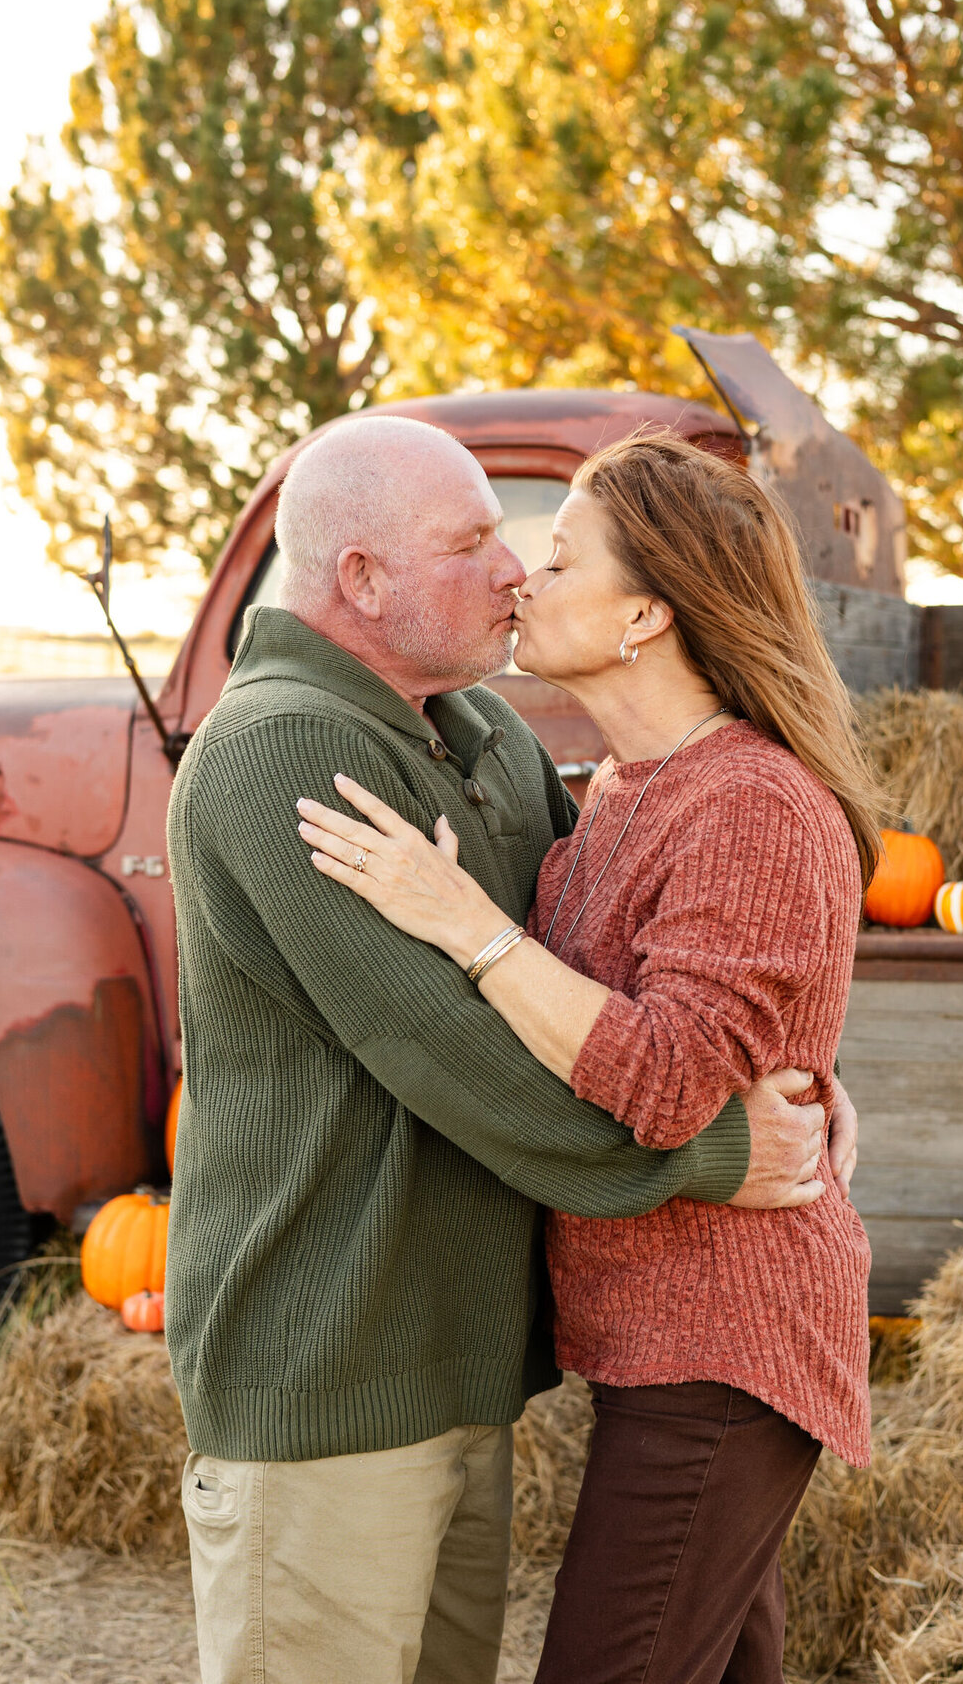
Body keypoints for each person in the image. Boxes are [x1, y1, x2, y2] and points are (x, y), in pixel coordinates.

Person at [165, 413, 858, 1684]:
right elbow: (448, 1050)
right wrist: (718, 1148)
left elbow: (636, 981)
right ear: (363, 577)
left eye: (532, 544)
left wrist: (797, 1078)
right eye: (472, 540)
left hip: (472, 1365)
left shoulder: (487, 736)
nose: (510, 569)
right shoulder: (282, 749)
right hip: (333, 1370)